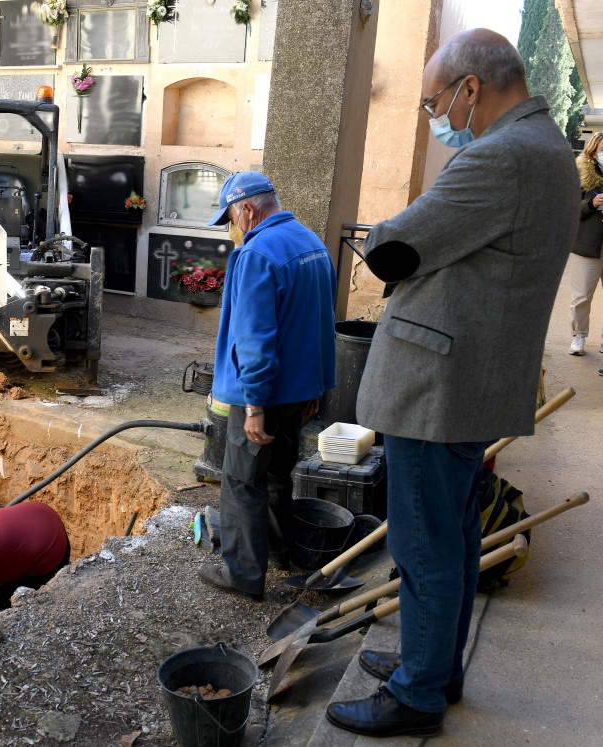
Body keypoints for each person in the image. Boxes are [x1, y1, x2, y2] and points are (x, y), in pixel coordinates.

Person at [326, 29, 578, 738]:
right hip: (473, 377)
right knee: (456, 536)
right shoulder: (547, 149)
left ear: (472, 87)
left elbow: (392, 246)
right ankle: (434, 665)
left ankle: (417, 693)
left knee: (424, 541)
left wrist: (389, 235)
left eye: (434, 101)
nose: (435, 116)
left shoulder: (501, 157)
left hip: (439, 385)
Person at [198, 171, 337, 601]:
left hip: (266, 393)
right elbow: (320, 325)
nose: (233, 228)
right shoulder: (312, 243)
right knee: (278, 475)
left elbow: (255, 337)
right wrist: (318, 387)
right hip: (300, 392)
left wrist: (254, 404)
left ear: (248, 209)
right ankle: (280, 553)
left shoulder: (257, 254)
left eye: (231, 218)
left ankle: (242, 574)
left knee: (242, 481)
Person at [569, 131, 603, 358]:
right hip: (587, 245)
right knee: (581, 296)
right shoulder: (581, 173)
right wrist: (592, 203)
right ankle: (579, 335)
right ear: (593, 151)